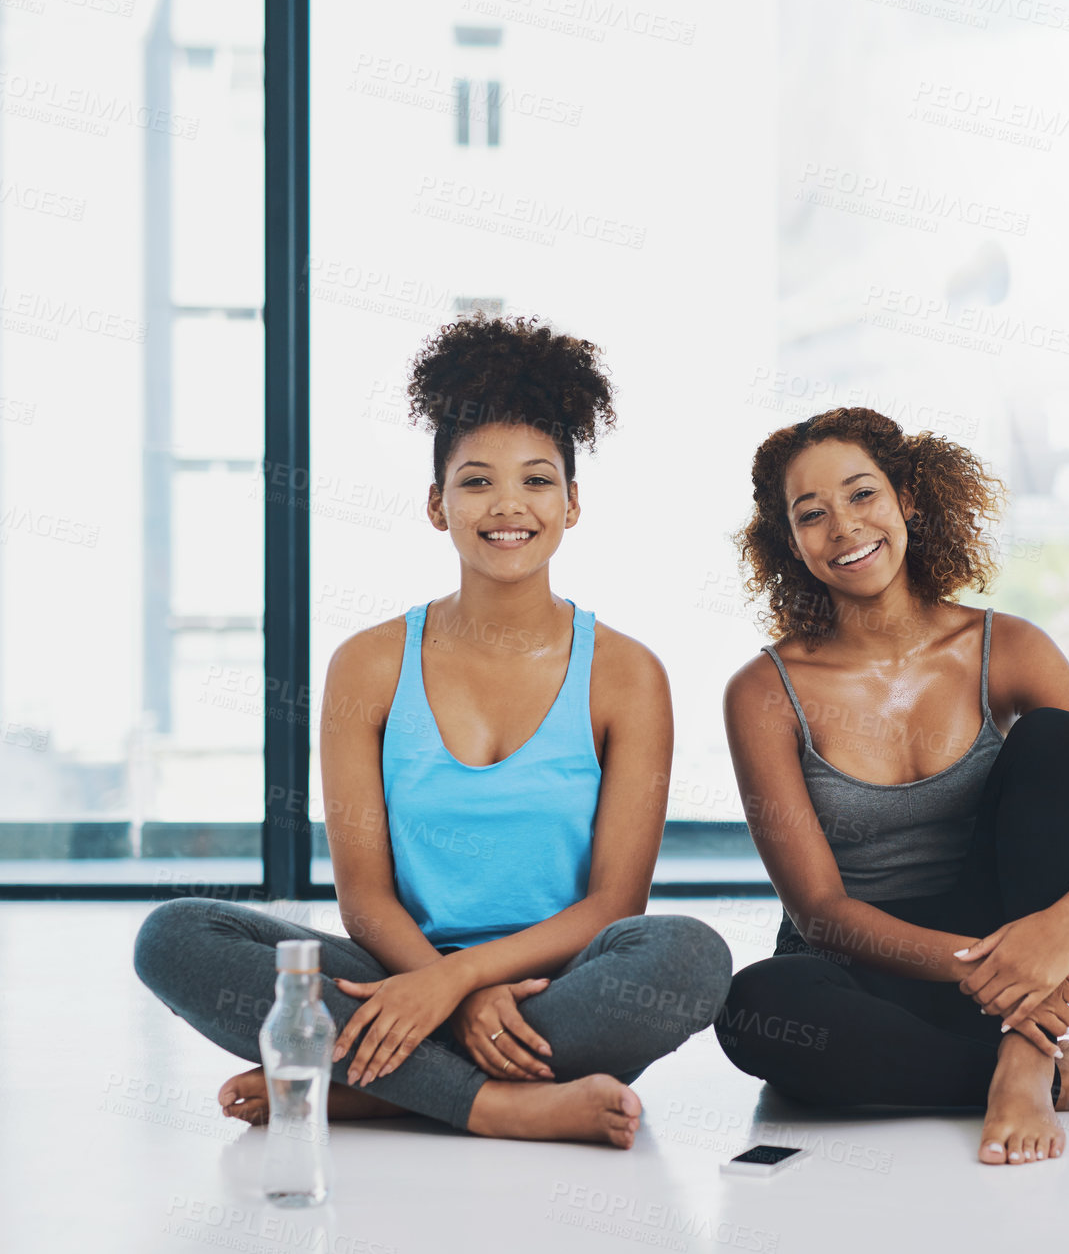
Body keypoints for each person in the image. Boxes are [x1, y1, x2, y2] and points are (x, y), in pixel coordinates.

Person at [134, 311, 732, 1148]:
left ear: (572, 502)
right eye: (477, 481)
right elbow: (365, 899)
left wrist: (465, 982)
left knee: (691, 956)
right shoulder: (369, 665)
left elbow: (613, 903)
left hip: (559, 994)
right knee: (174, 937)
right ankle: (500, 1104)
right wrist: (438, 982)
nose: (508, 506)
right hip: (391, 977)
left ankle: (373, 1090)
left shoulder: (628, 674)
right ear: (436, 503)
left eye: (537, 480)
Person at [713, 407, 1069, 1165]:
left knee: (1060, 742)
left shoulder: (1009, 647)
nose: (843, 527)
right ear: (788, 541)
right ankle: (1067, 1072)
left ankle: (1025, 1063)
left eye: (863, 495)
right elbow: (823, 913)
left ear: (908, 499)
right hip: (866, 972)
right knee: (753, 1011)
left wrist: (1055, 935)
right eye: (811, 514)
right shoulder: (763, 691)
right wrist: (998, 973)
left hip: (1013, 940)